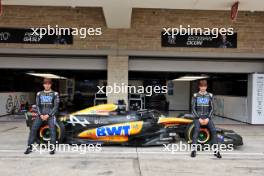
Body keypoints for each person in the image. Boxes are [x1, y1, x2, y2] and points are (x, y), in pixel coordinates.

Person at [24, 78, 59, 155]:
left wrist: (48, 115)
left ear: (51, 85)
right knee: (33, 129)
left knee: (53, 131)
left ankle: (52, 148)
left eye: (48, 84)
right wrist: (41, 115)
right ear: (43, 85)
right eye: (45, 84)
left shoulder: (55, 94)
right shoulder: (39, 94)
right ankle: (29, 147)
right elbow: (37, 105)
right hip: (40, 115)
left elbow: (56, 106)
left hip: (50, 115)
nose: (47, 85)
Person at [190, 79, 221, 158]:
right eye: (201, 86)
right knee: (196, 131)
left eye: (204, 86)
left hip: (207, 118)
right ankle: (193, 150)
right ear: (199, 87)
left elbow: (212, 108)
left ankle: (216, 151)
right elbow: (193, 108)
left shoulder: (210, 95)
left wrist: (208, 118)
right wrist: (198, 118)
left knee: (214, 131)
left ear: (206, 87)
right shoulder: (195, 96)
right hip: (198, 118)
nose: (203, 88)